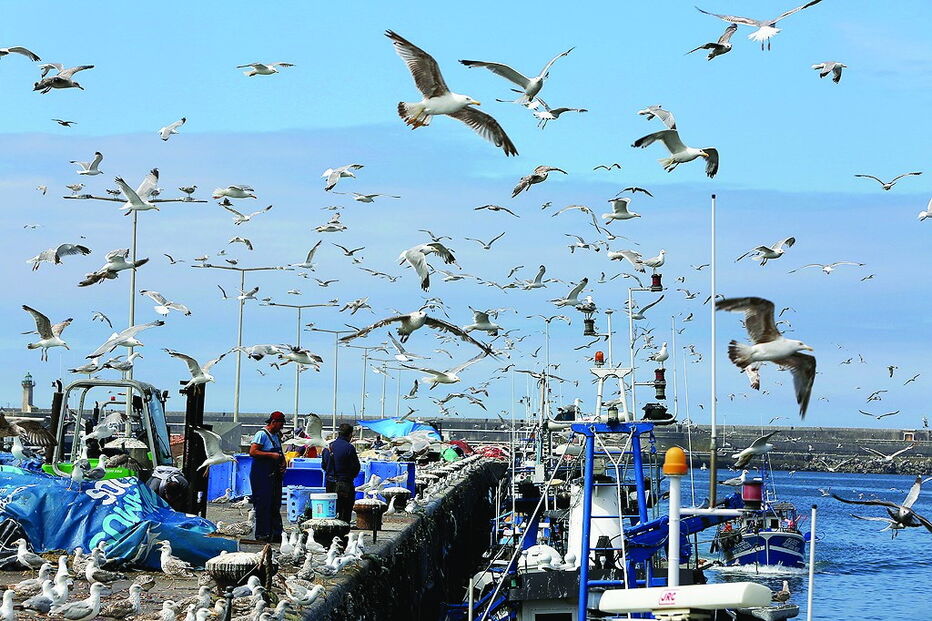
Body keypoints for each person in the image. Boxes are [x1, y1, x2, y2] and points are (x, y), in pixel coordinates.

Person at [249, 411, 287, 542]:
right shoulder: (261, 435)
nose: (281, 427)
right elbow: (253, 452)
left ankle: (276, 534)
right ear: (273, 422)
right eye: (280, 424)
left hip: (274, 475)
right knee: (263, 504)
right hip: (261, 475)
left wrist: (283, 462)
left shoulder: (276, 435)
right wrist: (271, 455)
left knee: (275, 504)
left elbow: (280, 452)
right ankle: (262, 534)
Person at [321, 423, 361, 524]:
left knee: (332, 511)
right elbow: (356, 467)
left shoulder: (328, 446)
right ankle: (343, 535)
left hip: (330, 483)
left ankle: (333, 534)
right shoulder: (349, 448)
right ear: (350, 435)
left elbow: (323, 466)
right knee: (345, 512)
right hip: (345, 484)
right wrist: (349, 476)